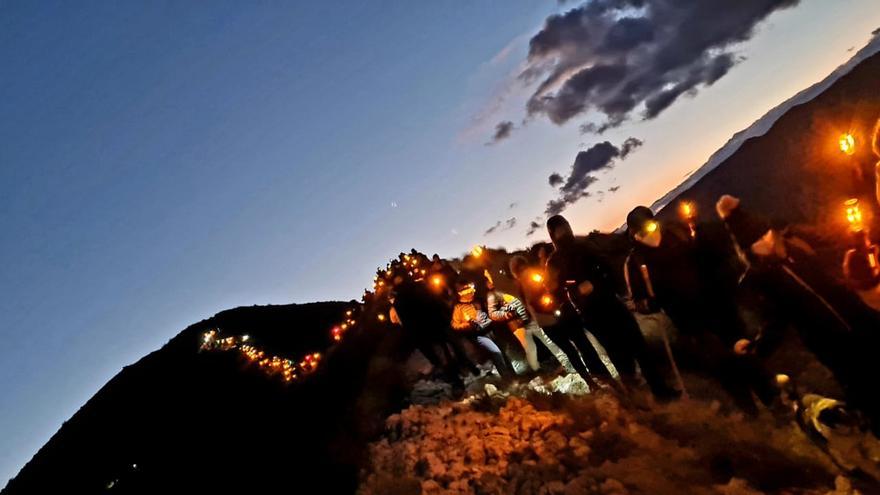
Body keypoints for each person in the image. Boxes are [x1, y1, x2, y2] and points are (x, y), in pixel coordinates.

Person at [717, 194, 880, 432]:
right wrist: (756, 348)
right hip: (832, 343)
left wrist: (860, 260)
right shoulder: (762, 280)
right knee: (869, 393)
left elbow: (830, 276)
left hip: (862, 320)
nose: (767, 242)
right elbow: (775, 321)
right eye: (757, 241)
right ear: (747, 250)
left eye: (766, 234)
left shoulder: (795, 250)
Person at [624, 206, 778, 413]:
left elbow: (709, 256)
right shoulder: (635, 262)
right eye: (642, 231)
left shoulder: (678, 233)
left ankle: (772, 399)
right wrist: (651, 303)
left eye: (651, 225)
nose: (650, 233)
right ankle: (749, 408)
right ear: (634, 234)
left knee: (746, 353)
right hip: (691, 323)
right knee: (722, 366)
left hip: (720, 306)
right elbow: (638, 301)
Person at [545, 215, 676, 399]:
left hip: (611, 302)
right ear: (553, 234)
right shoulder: (554, 263)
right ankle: (635, 395)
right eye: (560, 229)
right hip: (591, 314)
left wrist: (598, 283)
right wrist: (575, 292)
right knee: (619, 354)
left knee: (639, 344)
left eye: (566, 226)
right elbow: (554, 293)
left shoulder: (585, 246)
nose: (565, 231)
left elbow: (606, 268)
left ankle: (660, 390)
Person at [485, 267, 575, 375]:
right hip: (518, 324)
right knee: (531, 348)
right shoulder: (493, 295)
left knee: (548, 342)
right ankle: (538, 371)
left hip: (531, 319)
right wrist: (507, 314)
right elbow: (493, 314)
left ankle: (566, 364)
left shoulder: (510, 284)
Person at [451, 281, 515, 378]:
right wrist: (467, 325)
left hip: (491, 329)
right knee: (496, 353)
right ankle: (506, 376)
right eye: (466, 291)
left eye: (470, 290)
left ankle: (513, 374)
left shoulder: (478, 300)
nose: (470, 293)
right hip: (480, 335)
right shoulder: (458, 307)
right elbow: (455, 324)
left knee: (503, 352)